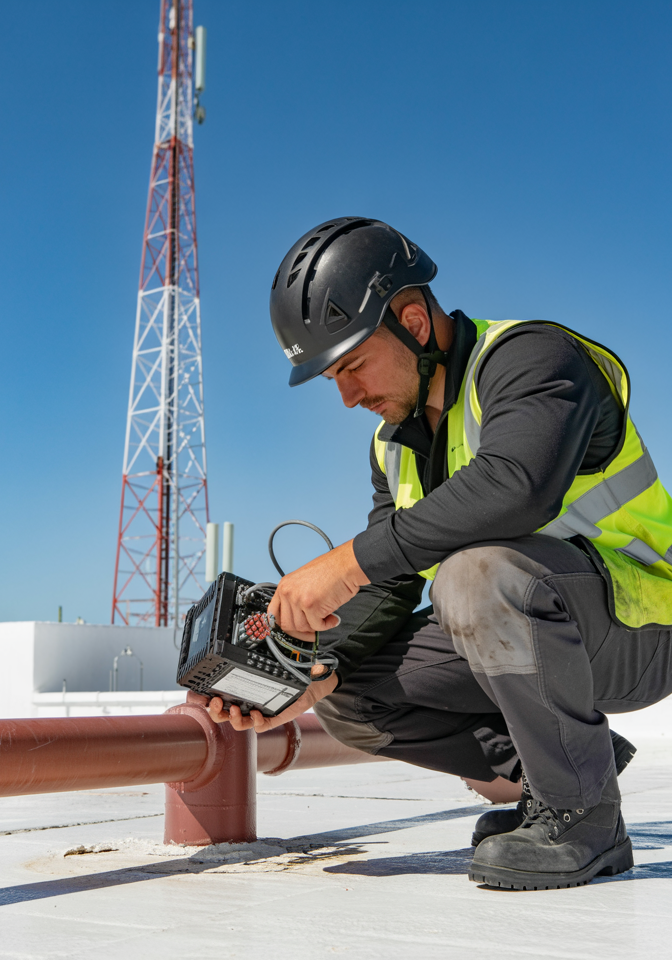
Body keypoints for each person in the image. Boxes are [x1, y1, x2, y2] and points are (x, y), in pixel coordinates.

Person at [208, 217, 672, 890]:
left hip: (641, 625)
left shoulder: (532, 361)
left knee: (473, 575)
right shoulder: (393, 443)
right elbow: (391, 586)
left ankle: (583, 817)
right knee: (347, 689)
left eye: (353, 366)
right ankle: (551, 784)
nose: (346, 397)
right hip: (543, 628)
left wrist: (342, 564)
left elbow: (517, 488)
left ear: (415, 322)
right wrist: (310, 671)